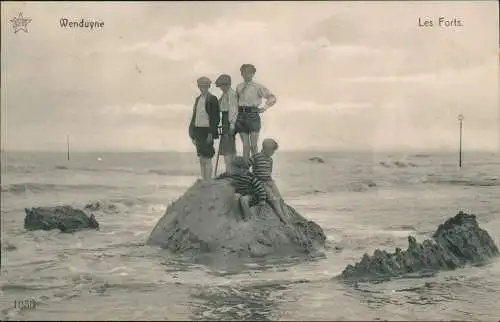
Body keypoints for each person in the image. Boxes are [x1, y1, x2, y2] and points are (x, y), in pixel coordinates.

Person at [235, 64, 277, 164]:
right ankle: (245, 172)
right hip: (240, 116)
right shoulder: (239, 87)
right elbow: (235, 102)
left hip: (253, 116)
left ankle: (256, 169)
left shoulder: (257, 87)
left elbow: (272, 97)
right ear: (241, 73)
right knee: (245, 145)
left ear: (253, 74)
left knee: (253, 146)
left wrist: (264, 108)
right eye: (244, 72)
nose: (246, 74)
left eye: (249, 72)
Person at [188, 76, 220, 180]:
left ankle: (208, 180)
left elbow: (215, 118)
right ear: (198, 87)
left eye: (205, 86)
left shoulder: (212, 99)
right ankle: (204, 179)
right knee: (201, 157)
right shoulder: (198, 99)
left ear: (208, 87)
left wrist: (211, 133)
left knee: (208, 156)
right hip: (198, 130)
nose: (203, 89)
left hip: (207, 130)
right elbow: (194, 116)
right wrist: (192, 134)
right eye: (201, 86)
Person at [248, 138, 286, 223]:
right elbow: (246, 166)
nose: (273, 153)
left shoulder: (270, 160)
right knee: (273, 199)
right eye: (272, 151)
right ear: (266, 149)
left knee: (280, 198)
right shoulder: (256, 157)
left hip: (269, 181)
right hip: (261, 182)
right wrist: (252, 178)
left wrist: (271, 183)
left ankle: (284, 213)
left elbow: (269, 172)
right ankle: (283, 218)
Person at [229, 156, 268, 221]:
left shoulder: (250, 177)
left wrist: (262, 201)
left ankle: (248, 217)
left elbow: (261, 190)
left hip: (252, 196)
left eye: (233, 168)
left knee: (243, 199)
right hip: (242, 193)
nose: (232, 170)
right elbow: (224, 175)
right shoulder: (235, 175)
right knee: (235, 196)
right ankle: (238, 217)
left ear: (241, 168)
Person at [215, 74, 238, 175]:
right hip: (225, 120)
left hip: (229, 121)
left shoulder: (231, 94)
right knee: (227, 148)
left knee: (228, 148)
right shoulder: (225, 94)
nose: (221, 88)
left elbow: (233, 110)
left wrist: (232, 125)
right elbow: (219, 106)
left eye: (223, 86)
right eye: (220, 86)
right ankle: (230, 171)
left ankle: (230, 172)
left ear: (227, 85)